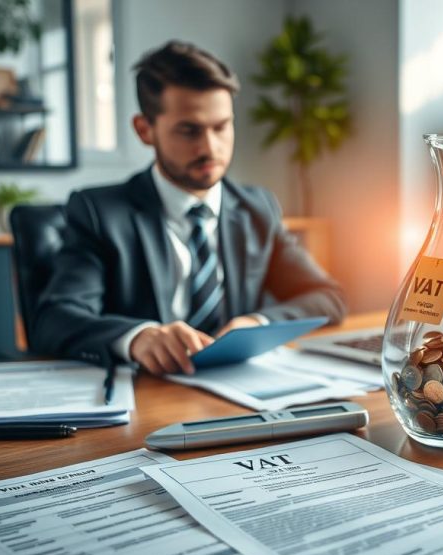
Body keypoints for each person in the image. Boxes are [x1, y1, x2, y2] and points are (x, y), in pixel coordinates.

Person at [31, 41, 346, 376]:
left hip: (238, 393)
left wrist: (258, 322)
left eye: (221, 126)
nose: (210, 148)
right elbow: (54, 319)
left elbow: (327, 297)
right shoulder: (98, 212)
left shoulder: (258, 208)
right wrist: (138, 337)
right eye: (189, 130)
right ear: (144, 130)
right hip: (148, 398)